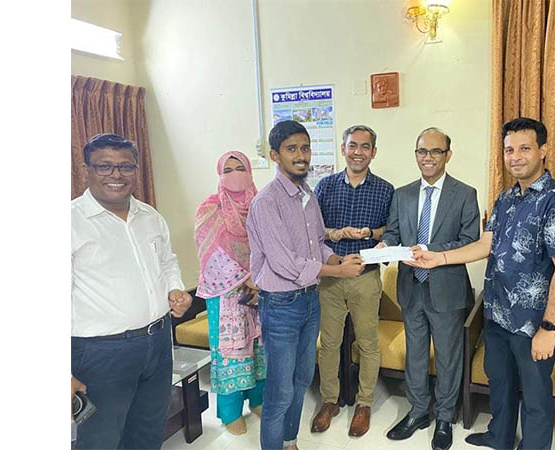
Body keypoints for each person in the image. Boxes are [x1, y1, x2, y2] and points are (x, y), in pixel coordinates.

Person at [409, 118, 555, 450]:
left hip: (534, 322)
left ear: (543, 151)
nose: (515, 157)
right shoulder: (505, 198)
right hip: (498, 314)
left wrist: (549, 327)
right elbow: (484, 245)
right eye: (509, 150)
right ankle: (499, 436)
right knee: (500, 383)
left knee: (535, 395)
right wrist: (438, 257)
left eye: (524, 148)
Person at [246, 120, 365, 450]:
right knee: (280, 391)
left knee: (301, 381)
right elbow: (284, 262)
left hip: (310, 300)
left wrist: (338, 259)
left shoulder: (307, 195)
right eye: (291, 149)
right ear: (275, 155)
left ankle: (290, 442)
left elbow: (317, 244)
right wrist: (336, 273)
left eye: (305, 148)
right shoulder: (266, 202)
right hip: (281, 305)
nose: (301, 156)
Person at [71, 133, 192, 449]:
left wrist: (175, 289)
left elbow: (167, 262)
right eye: (104, 166)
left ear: (136, 170)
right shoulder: (70, 222)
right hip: (100, 354)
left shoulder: (149, 216)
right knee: (101, 440)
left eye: (125, 166)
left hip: (158, 342)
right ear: (86, 170)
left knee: (148, 433)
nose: (116, 174)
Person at [379, 127, 480, 450]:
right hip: (411, 287)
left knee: (448, 357)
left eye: (436, 151)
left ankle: (445, 417)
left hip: (447, 289)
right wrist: (385, 245)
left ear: (448, 155)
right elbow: (393, 233)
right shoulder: (402, 194)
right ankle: (419, 411)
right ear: (416, 155)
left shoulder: (465, 194)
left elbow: (470, 241)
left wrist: (428, 250)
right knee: (416, 354)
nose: (428, 157)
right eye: (422, 151)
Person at [310, 125, 394, 437]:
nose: (358, 152)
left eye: (365, 147)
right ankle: (329, 401)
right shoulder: (325, 186)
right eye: (353, 145)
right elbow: (314, 230)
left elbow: (391, 229)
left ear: (374, 152)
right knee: (329, 344)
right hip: (331, 275)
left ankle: (364, 403)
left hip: (365, 276)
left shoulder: (385, 189)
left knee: (368, 343)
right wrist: (337, 233)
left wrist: (371, 233)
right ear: (343, 149)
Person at [194, 150, 266, 435]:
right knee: (232, 353)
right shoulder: (209, 208)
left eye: (240, 168)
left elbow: (271, 246)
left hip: (260, 291)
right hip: (225, 294)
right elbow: (208, 254)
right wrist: (246, 278)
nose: (235, 174)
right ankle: (230, 412)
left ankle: (258, 400)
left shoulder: (260, 205)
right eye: (228, 169)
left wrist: (260, 279)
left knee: (260, 348)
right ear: (219, 175)